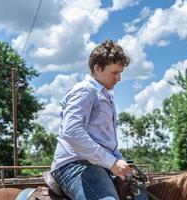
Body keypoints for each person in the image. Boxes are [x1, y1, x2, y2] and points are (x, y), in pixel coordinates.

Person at [51, 39, 131, 200]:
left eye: (120, 73)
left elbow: (107, 141)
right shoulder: (84, 91)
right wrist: (112, 163)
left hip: (97, 164)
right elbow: (72, 133)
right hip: (75, 165)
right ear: (97, 68)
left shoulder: (104, 95)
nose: (119, 78)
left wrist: (119, 161)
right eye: (115, 72)